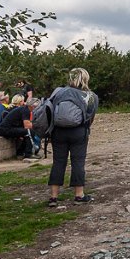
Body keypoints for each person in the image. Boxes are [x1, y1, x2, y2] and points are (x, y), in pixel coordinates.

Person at [47, 68, 98, 206]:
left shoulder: (59, 92)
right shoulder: (90, 96)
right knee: (78, 162)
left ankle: (53, 197)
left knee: (58, 162)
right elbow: (90, 117)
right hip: (79, 132)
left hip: (58, 132)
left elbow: (49, 109)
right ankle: (79, 195)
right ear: (85, 79)